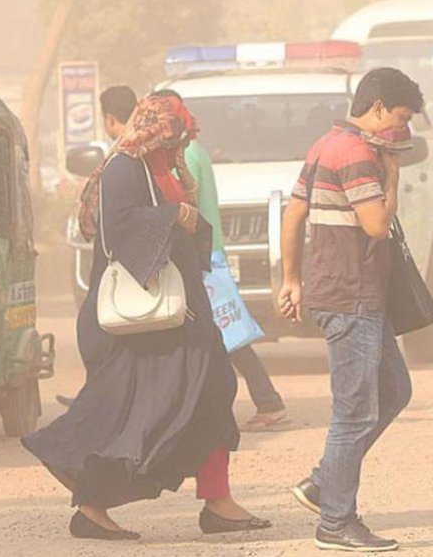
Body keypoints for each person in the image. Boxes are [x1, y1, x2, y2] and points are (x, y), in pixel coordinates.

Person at [24, 95, 271, 541]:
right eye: (175, 135)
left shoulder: (161, 169)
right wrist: (175, 214)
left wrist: (184, 207)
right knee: (136, 414)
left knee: (212, 392)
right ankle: (88, 496)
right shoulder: (125, 167)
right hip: (143, 327)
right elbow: (118, 227)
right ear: (155, 130)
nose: (180, 145)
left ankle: (218, 501)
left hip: (181, 319)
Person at [277, 67, 424, 552]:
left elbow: (293, 214)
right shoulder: (361, 155)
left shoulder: (324, 145)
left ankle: (325, 482)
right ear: (378, 107)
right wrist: (394, 174)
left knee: (395, 390)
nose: (399, 130)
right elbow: (377, 224)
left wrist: (293, 279)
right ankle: (336, 522)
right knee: (355, 412)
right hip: (352, 295)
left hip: (341, 292)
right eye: (399, 118)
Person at [151, 89, 289, 431]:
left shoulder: (184, 154)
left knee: (228, 335)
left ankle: (268, 400)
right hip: (209, 253)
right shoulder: (195, 150)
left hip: (202, 256)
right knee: (222, 334)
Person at [57, 85, 139, 408]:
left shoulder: (124, 156)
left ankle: (100, 402)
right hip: (121, 258)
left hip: (117, 259)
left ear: (109, 119)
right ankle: (98, 398)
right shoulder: (130, 152)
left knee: (95, 328)